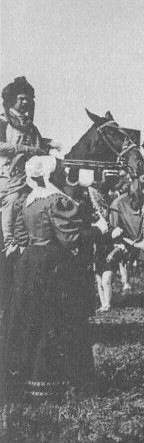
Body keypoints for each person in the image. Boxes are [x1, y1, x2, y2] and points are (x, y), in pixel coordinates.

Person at [0, 156, 104, 403]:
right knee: (57, 320)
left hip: (29, 266)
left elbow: (20, 237)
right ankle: (60, 383)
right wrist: (99, 230)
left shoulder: (29, 201)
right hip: (53, 266)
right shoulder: (56, 200)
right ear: (51, 174)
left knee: (30, 320)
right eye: (59, 171)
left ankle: (26, 383)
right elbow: (70, 238)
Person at [0, 77, 51, 309]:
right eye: (22, 99)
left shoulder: (32, 127)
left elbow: (40, 147)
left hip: (29, 178)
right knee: (11, 201)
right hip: (7, 178)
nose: (26, 104)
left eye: (29, 100)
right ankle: (10, 242)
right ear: (12, 100)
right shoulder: (3, 123)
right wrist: (24, 149)